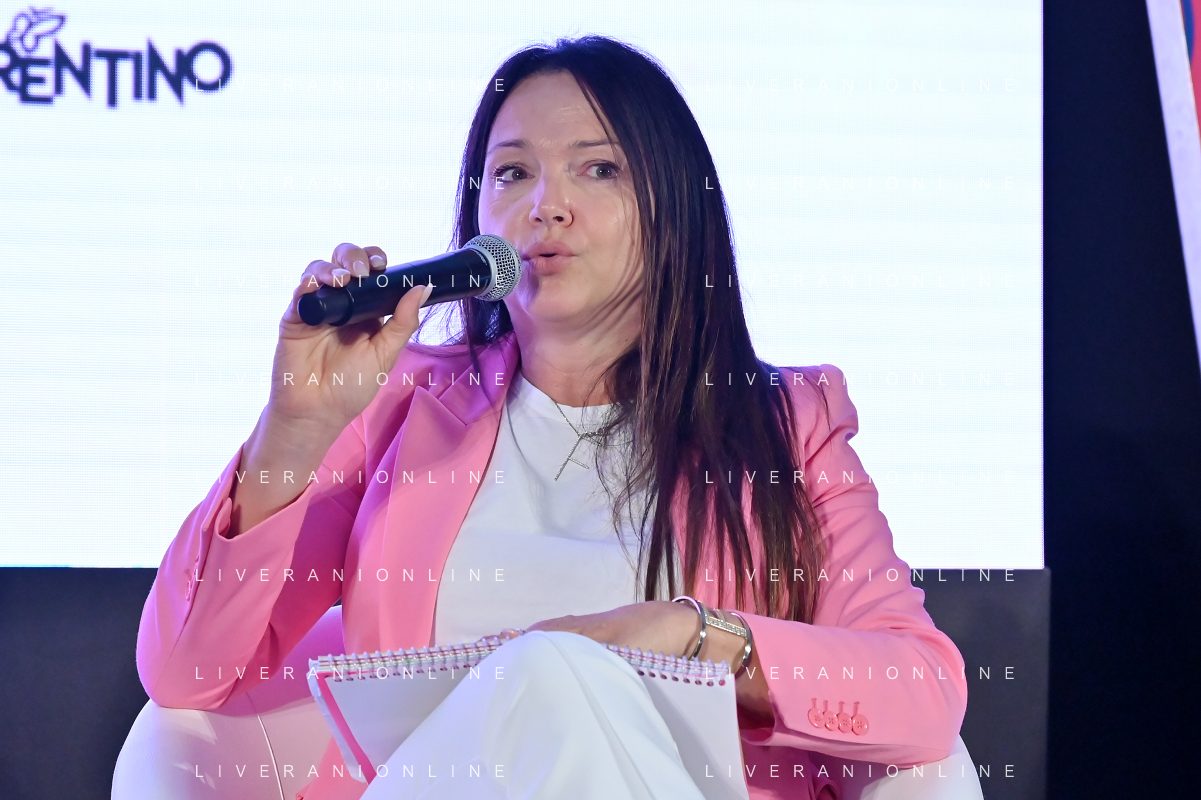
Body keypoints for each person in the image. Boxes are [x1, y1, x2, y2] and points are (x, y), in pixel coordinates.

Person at [136, 35, 967, 800]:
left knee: (550, 674)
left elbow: (920, 689)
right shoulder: (398, 409)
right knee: (543, 675)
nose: (545, 205)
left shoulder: (786, 427)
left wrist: (686, 635)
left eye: (597, 169)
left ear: (673, 207)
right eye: (511, 173)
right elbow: (184, 673)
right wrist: (295, 428)